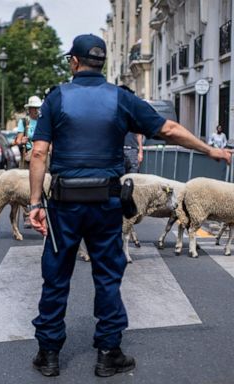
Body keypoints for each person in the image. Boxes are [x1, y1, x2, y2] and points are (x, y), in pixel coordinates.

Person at [28, 33, 231, 378]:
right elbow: (167, 128)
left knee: (56, 276)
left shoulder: (56, 98)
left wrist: (35, 202)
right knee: (107, 276)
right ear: (100, 62)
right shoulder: (120, 98)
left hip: (64, 204)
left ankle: (48, 354)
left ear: (74, 62)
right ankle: (108, 354)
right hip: (106, 202)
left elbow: (38, 153)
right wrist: (209, 150)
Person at [15, 95, 42, 170]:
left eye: (38, 108)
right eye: (34, 108)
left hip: (41, 155)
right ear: (29, 109)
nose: (37, 110)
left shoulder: (43, 121)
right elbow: (18, 140)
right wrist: (22, 142)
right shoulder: (24, 121)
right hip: (28, 156)